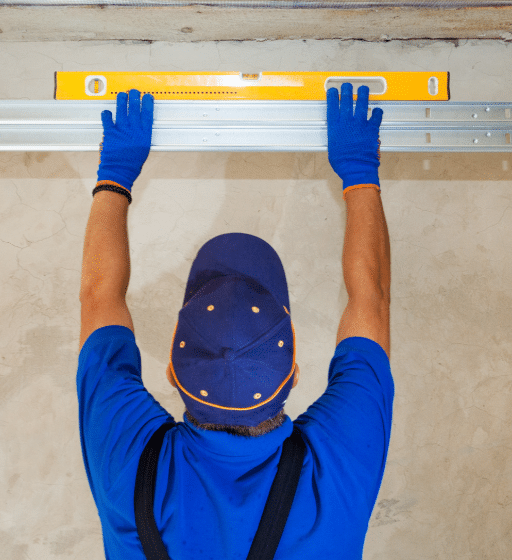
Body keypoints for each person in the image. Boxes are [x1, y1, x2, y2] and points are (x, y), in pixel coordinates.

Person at [77, 82, 395, 559]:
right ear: (293, 374)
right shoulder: (124, 462)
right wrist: (357, 169)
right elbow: (371, 296)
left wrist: (116, 171)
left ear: (172, 373)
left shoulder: (133, 466)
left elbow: (374, 301)